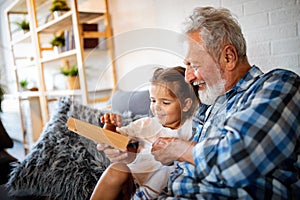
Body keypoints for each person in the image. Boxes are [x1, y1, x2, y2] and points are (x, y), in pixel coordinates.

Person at [99, 6, 300, 199]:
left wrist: (179, 149)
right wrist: (130, 155)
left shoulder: (279, 85)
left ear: (228, 57)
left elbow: (238, 162)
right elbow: (176, 161)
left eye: (193, 65)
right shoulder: (208, 104)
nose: (188, 77)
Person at [90, 66, 199, 200]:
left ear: (186, 105)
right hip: (131, 187)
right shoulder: (146, 124)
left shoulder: (192, 126)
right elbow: (113, 140)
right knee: (117, 170)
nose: (156, 107)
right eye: (153, 100)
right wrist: (110, 125)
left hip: (163, 192)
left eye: (165, 102)